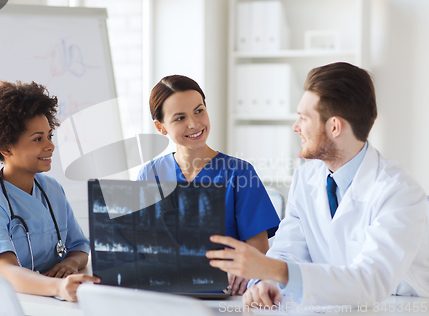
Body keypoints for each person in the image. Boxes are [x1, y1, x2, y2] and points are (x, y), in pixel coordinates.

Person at [206, 62, 429, 307]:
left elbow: (370, 281)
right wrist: (268, 282)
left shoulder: (399, 193)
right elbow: (288, 249)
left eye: (303, 118)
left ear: (334, 126)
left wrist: (275, 269)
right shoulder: (306, 178)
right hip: (334, 306)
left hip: (400, 308)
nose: (296, 127)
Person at [137, 75, 280, 295]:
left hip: (224, 292)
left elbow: (259, 248)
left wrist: (242, 270)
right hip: (165, 291)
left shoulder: (239, 173)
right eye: (179, 118)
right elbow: (138, 243)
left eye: (199, 110)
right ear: (161, 127)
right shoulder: (150, 175)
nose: (194, 124)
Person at [0, 81, 100, 302]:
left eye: (49, 136)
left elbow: (79, 246)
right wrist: (58, 287)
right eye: (38, 139)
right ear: (6, 147)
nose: (50, 145)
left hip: (41, 299)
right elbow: (6, 271)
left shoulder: (53, 190)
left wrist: (70, 263)